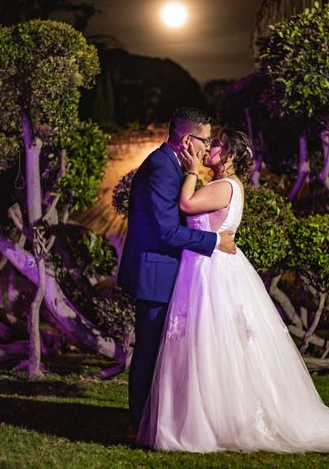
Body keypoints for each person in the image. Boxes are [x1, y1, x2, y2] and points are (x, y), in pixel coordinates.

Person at [136, 128, 329, 455]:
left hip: (212, 271)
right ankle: (201, 415)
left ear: (231, 156)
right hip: (203, 268)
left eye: (218, 145)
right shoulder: (225, 185)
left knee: (213, 343)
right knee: (206, 344)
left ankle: (215, 420)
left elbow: (186, 203)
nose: (211, 148)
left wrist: (192, 170)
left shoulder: (225, 186)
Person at [117, 107, 237, 433]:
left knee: (159, 349)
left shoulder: (173, 166)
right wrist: (214, 241)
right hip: (155, 273)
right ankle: (140, 422)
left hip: (166, 271)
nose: (207, 146)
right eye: (205, 139)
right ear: (188, 139)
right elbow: (167, 232)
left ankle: (155, 418)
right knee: (149, 348)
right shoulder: (162, 169)